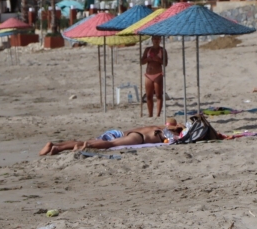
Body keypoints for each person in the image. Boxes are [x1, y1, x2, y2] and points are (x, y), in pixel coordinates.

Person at [39, 119, 184, 156]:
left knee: (93, 140)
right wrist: (179, 129)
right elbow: (172, 136)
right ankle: (86, 147)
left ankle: (57, 147)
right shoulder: (165, 131)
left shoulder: (155, 126)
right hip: (138, 138)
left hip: (121, 132)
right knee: (112, 144)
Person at [141, 36, 168, 117]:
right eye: (155, 39)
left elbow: (165, 63)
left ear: (160, 40)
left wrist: (158, 60)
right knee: (148, 96)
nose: (156, 40)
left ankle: (158, 114)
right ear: (152, 40)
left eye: (158, 39)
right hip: (148, 74)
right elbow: (142, 62)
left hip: (158, 74)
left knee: (158, 95)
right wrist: (148, 59)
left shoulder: (162, 50)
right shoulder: (148, 49)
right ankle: (150, 114)